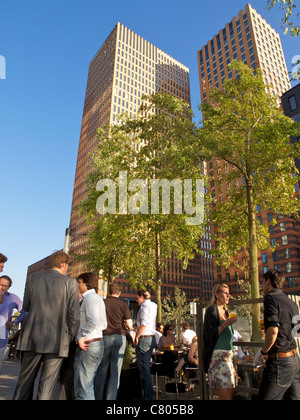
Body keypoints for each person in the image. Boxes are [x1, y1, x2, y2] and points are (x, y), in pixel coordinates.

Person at [13, 251, 80, 400]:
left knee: (24, 381)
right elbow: (74, 316)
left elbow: (27, 306)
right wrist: (69, 337)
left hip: (32, 337)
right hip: (57, 340)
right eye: (68, 265)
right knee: (47, 385)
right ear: (63, 264)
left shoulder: (34, 279)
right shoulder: (70, 283)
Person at [258, 269, 300, 400]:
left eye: (262, 282)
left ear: (268, 281)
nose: (261, 285)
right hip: (294, 360)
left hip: (279, 362)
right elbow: (297, 331)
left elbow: (274, 329)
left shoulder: (270, 298)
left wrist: (264, 352)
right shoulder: (292, 303)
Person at [95, 281, 132, 400]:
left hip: (104, 336)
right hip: (119, 336)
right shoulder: (123, 305)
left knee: (101, 369)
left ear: (108, 292)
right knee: (115, 371)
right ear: (119, 293)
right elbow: (129, 324)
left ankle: (97, 397)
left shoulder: (102, 303)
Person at [74, 272, 107, 400]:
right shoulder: (98, 299)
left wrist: (81, 336)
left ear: (85, 283)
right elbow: (103, 324)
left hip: (88, 344)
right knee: (86, 385)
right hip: (96, 343)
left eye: (79, 282)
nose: (78, 285)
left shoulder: (89, 298)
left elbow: (92, 321)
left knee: (84, 386)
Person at [203, 284, 237, 400]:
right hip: (218, 357)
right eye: (225, 293)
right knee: (225, 396)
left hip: (229, 357)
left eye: (229, 293)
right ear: (217, 295)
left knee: (230, 393)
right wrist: (225, 324)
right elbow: (208, 335)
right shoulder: (211, 310)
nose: (228, 296)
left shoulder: (226, 311)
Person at [134, 290, 157, 400]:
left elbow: (143, 323)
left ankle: (148, 397)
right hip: (151, 338)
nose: (137, 300)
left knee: (144, 370)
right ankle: (148, 395)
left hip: (144, 338)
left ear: (142, 297)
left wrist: (137, 336)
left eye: (137, 298)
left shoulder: (144, 307)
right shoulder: (154, 305)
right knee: (146, 367)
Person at [0, 275, 24, 371]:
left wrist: (14, 322)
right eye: (0, 284)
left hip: (2, 335)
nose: (2, 287)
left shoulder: (13, 298)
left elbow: (24, 311)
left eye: (5, 286)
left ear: (9, 287)